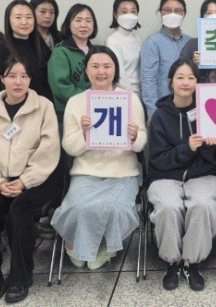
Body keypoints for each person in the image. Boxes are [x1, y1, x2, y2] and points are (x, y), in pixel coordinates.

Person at [0, 55, 60, 304]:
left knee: (20, 210)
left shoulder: (43, 106)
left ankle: (21, 278)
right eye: (12, 76)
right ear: (2, 79)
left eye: (24, 76)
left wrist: (25, 181)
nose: (18, 82)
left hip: (37, 178)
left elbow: (48, 150)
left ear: (30, 79)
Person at [51, 46, 147, 269]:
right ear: (86, 71)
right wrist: (85, 135)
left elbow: (142, 141)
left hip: (123, 172)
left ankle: (107, 246)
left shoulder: (130, 99)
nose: (101, 71)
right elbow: (69, 147)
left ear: (115, 70)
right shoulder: (76, 102)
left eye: (107, 66)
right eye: (95, 66)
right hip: (86, 171)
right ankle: (73, 244)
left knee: (117, 209)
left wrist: (134, 137)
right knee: (77, 207)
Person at [147, 59, 216, 291]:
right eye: (180, 77)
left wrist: (211, 146)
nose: (186, 82)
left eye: (191, 77)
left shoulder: (209, 109)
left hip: (203, 174)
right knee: (168, 206)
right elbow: (158, 158)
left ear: (197, 82)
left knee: (202, 204)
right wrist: (186, 148)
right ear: (170, 82)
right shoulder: (160, 116)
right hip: (165, 175)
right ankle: (173, 262)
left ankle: (191, 263)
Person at [140, 0, 191, 118]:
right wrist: (153, 113)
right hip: (163, 109)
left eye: (177, 11)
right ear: (161, 13)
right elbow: (148, 80)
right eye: (167, 10)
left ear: (184, 14)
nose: (172, 14)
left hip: (189, 109)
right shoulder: (152, 42)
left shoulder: (190, 42)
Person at [0, 0, 52, 101]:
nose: (24, 22)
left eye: (29, 17)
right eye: (18, 17)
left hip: (44, 106)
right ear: (9, 21)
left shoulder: (42, 47)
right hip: (16, 107)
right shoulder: (1, 50)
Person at [48, 3, 97, 118]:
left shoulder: (97, 52)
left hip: (95, 111)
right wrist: (92, 97)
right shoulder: (61, 52)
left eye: (88, 21)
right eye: (78, 20)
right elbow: (60, 87)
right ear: (69, 24)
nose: (83, 25)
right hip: (69, 113)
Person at [105, 0, 143, 96]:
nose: (129, 15)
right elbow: (119, 76)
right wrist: (133, 96)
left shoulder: (138, 39)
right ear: (116, 15)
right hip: (124, 95)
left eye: (133, 11)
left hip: (141, 93)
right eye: (124, 12)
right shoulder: (112, 40)